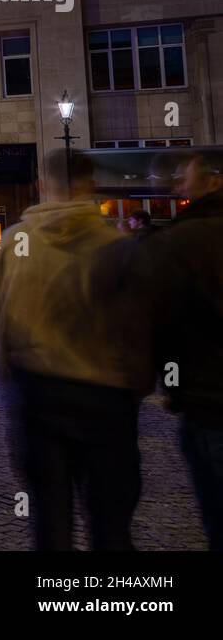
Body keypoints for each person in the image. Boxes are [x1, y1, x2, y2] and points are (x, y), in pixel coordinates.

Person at [0, 150, 153, 550]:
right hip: (105, 398)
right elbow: (141, 328)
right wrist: (135, 387)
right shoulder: (117, 247)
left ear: (44, 185)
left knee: (49, 520)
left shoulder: (12, 243)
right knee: (110, 523)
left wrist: (10, 375)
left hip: (36, 394)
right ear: (89, 185)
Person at [133, 151, 223, 548]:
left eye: (182, 178)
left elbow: (157, 324)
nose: (175, 187)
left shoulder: (177, 242)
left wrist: (170, 384)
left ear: (212, 181)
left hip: (210, 402)